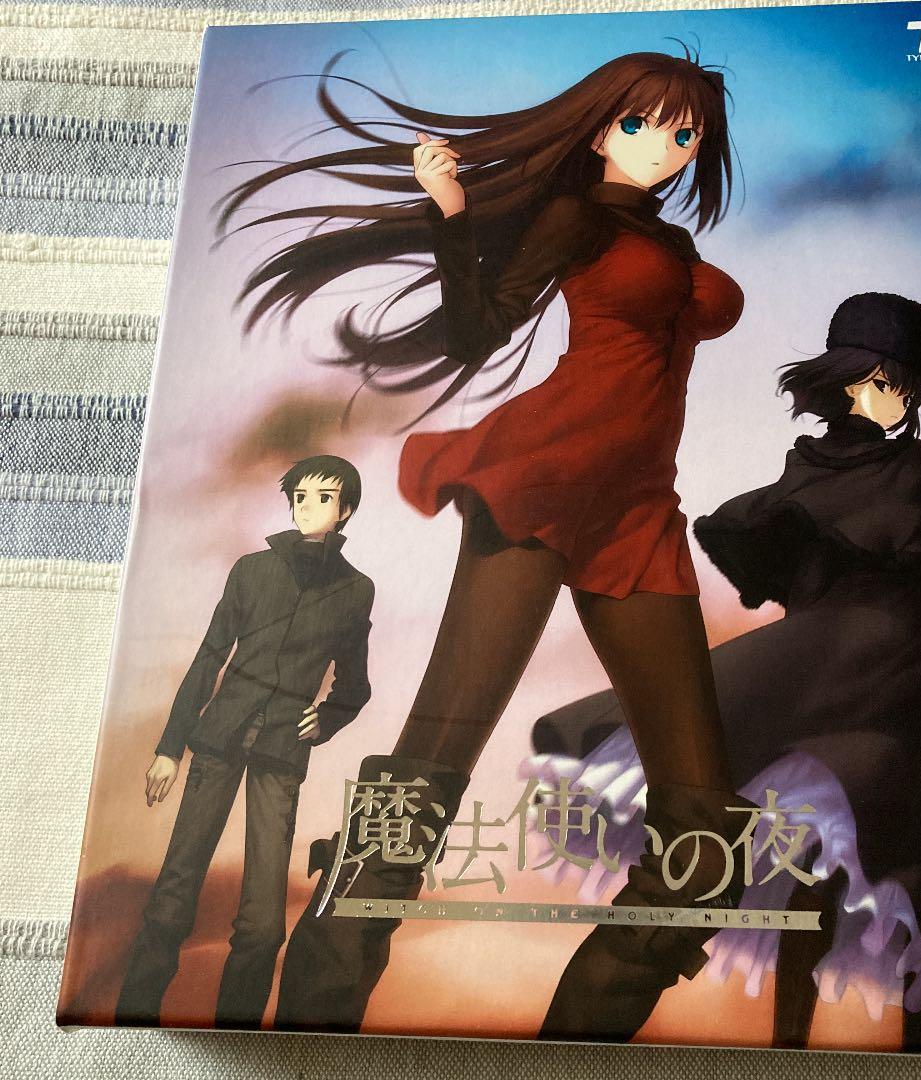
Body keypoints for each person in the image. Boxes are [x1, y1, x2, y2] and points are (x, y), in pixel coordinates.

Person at [220, 47, 753, 1039]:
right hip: (541, 484)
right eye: (642, 125)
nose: (665, 148)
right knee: (427, 777)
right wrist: (449, 216)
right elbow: (477, 332)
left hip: (639, 509)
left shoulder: (670, 243)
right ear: (601, 128)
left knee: (705, 840)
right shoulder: (577, 219)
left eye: (685, 135)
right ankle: (313, 1025)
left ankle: (576, 1051)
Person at [524, 293, 921, 1052]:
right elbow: (794, 550)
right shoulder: (805, 465)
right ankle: (788, 1045)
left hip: (902, 671)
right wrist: (790, 545)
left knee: (906, 851)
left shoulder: (916, 468)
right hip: (830, 658)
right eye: (879, 381)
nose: (892, 400)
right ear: (842, 377)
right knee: (809, 856)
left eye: (904, 388)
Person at [115, 455, 374, 1029]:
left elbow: (355, 684)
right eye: (299, 496)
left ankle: (238, 1032)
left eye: (323, 498)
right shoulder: (253, 570)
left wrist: (327, 717)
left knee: (262, 924)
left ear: (345, 509)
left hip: (282, 751)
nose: (307, 507)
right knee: (174, 891)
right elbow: (210, 657)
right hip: (220, 737)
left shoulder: (356, 591)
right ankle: (134, 1015)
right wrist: (170, 747)